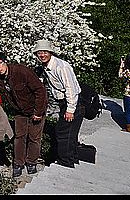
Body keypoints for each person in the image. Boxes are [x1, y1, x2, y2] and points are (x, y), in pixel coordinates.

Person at [0, 51, 48, 177]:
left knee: (34, 137)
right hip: (20, 112)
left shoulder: (21, 71)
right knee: (19, 137)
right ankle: (18, 163)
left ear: (5, 62)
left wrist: (38, 112)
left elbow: (40, 90)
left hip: (35, 109)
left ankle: (31, 162)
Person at [32, 39, 84, 168]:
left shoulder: (61, 67)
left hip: (72, 102)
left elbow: (70, 88)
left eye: (44, 52)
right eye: (39, 53)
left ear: (50, 52)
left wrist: (70, 109)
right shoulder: (46, 67)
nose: (42, 55)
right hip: (64, 103)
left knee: (63, 132)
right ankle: (72, 159)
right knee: (70, 133)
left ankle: (65, 161)